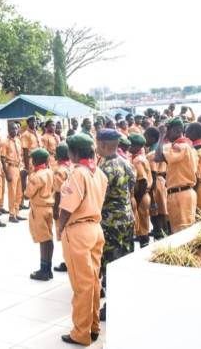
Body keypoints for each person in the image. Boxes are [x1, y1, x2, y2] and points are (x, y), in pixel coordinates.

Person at [57, 134, 107, 346]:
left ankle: (80, 333)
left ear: (74, 153)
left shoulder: (77, 173)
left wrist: (60, 228)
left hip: (78, 231)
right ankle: (93, 326)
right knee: (93, 281)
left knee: (81, 285)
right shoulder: (98, 173)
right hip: (95, 228)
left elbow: (68, 207)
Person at [96, 128, 135, 322]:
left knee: (110, 264)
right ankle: (124, 299)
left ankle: (111, 306)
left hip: (110, 223)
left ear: (103, 144)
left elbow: (99, 198)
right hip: (127, 218)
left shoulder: (104, 169)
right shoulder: (127, 163)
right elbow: (132, 188)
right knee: (124, 260)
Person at [155, 118, 199, 233]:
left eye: (168, 131)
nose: (166, 134)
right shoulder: (187, 145)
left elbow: (157, 157)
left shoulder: (181, 146)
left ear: (177, 130)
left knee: (182, 233)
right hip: (181, 193)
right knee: (180, 232)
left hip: (181, 194)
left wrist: (161, 135)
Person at [24, 148, 55, 281]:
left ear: (35, 161)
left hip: (39, 210)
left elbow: (27, 194)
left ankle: (43, 270)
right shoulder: (49, 172)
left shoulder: (37, 176)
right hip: (49, 208)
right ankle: (48, 269)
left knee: (43, 240)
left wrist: (23, 178)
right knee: (48, 239)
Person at [128, 134, 152, 248]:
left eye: (130, 144)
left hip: (141, 196)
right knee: (143, 225)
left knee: (142, 228)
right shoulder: (139, 157)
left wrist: (137, 200)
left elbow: (142, 182)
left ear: (136, 146)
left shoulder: (137, 160)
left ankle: (145, 248)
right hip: (143, 195)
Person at [145, 127, 169, 239]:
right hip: (162, 181)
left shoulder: (152, 153)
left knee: (157, 214)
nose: (145, 139)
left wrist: (152, 196)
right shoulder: (158, 149)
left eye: (146, 137)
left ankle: (160, 237)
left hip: (156, 184)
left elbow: (153, 174)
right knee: (161, 212)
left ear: (153, 138)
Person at [52, 143, 71, 273]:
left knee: (63, 234)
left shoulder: (60, 170)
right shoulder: (71, 167)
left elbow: (58, 192)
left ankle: (67, 261)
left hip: (62, 206)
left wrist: (55, 209)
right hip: (70, 205)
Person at [2, 122, 26, 223]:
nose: (15, 130)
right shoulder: (5, 142)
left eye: (16, 128)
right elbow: (3, 158)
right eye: (12, 129)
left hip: (19, 167)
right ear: (8, 130)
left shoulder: (18, 141)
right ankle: (12, 214)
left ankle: (17, 212)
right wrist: (6, 173)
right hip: (11, 167)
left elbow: (21, 155)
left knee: (19, 192)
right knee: (12, 192)